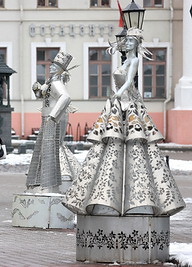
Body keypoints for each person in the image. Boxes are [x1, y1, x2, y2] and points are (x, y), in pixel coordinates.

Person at [63, 28, 185, 216]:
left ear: (137, 44)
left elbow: (129, 81)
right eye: (126, 41)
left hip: (128, 103)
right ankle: (106, 194)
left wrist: (118, 94)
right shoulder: (126, 60)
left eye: (131, 41)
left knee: (132, 143)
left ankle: (137, 197)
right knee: (111, 143)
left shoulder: (134, 61)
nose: (127, 44)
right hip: (118, 103)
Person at [26, 51, 80, 194]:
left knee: (51, 148)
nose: (50, 68)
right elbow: (45, 97)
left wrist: (53, 115)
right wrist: (37, 90)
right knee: (46, 148)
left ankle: (53, 184)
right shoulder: (50, 82)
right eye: (51, 65)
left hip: (53, 118)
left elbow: (65, 97)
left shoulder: (56, 82)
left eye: (54, 66)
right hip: (48, 117)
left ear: (61, 69)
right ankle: (46, 184)